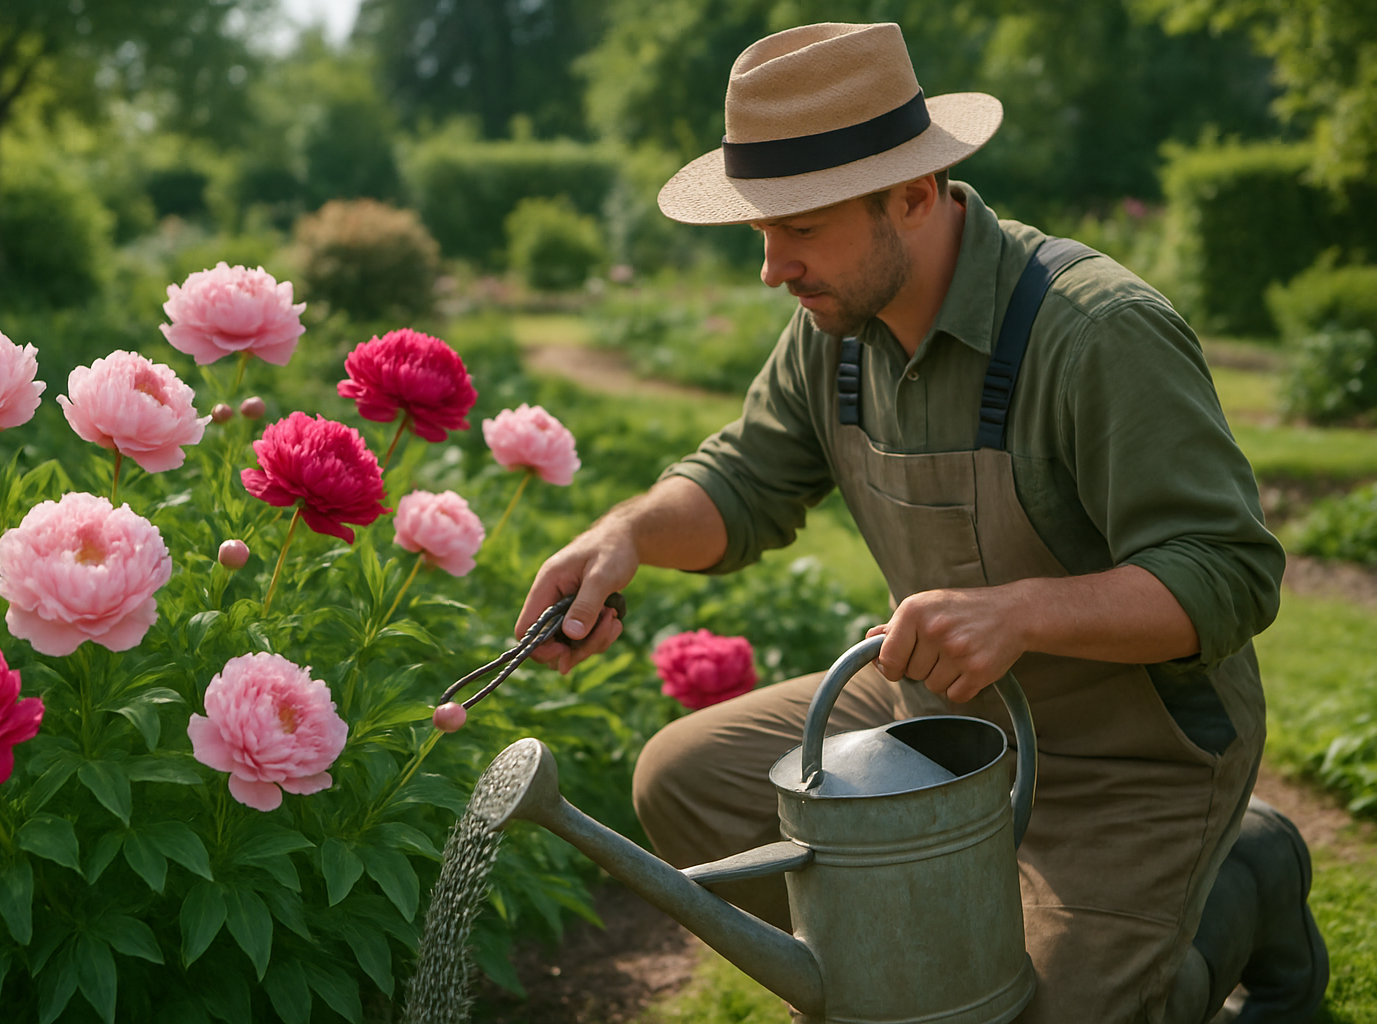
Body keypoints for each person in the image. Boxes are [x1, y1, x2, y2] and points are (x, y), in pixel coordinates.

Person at [516, 21, 1327, 1024]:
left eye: (800, 229)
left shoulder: (1096, 333)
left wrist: (1019, 612)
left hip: (1133, 756)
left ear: (911, 193)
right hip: (939, 726)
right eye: (760, 232)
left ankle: (1246, 879)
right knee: (688, 784)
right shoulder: (837, 331)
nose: (772, 269)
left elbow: (1230, 572)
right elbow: (743, 482)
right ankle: (933, 959)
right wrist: (627, 534)